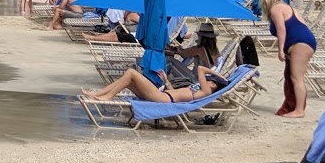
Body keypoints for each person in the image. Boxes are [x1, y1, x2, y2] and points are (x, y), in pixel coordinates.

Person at [265, 0, 317, 118]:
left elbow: (281, 30)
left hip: (300, 44)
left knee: (296, 78)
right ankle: (294, 107)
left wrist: (280, 49)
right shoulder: (290, 8)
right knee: (293, 77)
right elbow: (302, 27)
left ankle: (299, 110)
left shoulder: (276, 9)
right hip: (305, 42)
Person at [82, 65, 231, 104]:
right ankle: (98, 94)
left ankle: (108, 96)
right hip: (165, 95)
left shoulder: (206, 91)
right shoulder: (199, 90)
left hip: (162, 98)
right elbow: (178, 93)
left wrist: (218, 75)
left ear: (214, 86)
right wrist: (166, 81)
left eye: (212, 82)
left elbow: (200, 69)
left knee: (131, 72)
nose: (209, 81)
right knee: (129, 79)